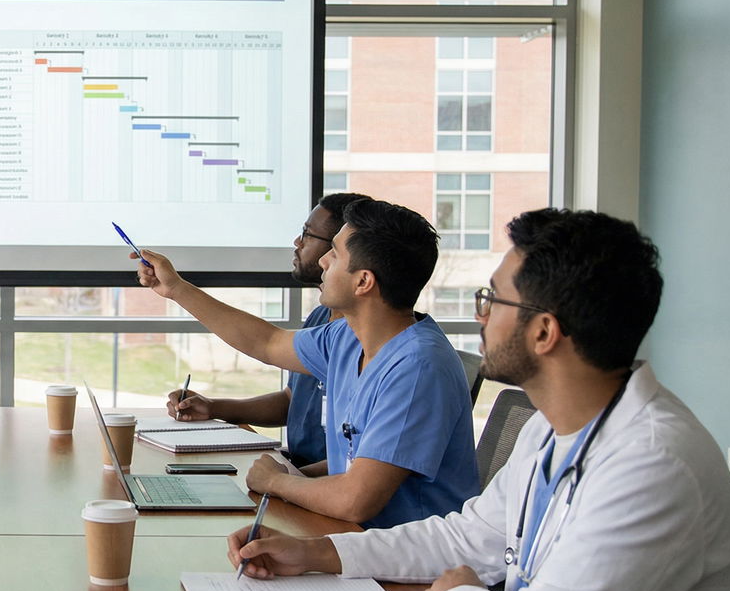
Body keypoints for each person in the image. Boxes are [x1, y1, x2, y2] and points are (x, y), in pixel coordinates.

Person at [231, 208, 730, 591]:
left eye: (492, 300)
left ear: (544, 331)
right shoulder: (551, 430)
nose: (480, 317)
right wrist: (317, 554)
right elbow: (463, 536)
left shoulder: (652, 462)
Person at [136, 198, 477, 527]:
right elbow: (265, 342)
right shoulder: (345, 337)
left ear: (363, 281)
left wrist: (277, 482)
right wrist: (176, 288)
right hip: (351, 536)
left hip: (405, 563)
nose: (324, 262)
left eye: (336, 253)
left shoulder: (417, 367)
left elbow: (355, 500)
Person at [166, 192, 370, 466]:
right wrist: (214, 408)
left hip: (317, 485)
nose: (297, 243)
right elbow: (292, 400)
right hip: (299, 473)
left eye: (308, 235)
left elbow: (358, 467)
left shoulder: (370, 339)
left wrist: (285, 481)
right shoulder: (323, 319)